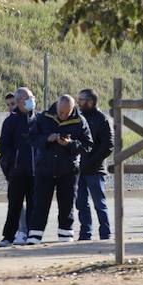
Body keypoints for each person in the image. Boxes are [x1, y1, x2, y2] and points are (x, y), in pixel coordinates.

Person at [28, 94, 93, 244]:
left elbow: (88, 145)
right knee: (40, 204)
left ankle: (65, 236)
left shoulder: (80, 121)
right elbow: (32, 138)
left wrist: (70, 144)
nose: (63, 116)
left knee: (67, 204)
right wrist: (47, 139)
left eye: (66, 113)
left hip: (68, 170)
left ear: (72, 109)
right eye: (61, 112)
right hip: (45, 169)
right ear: (56, 106)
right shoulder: (43, 117)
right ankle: (34, 237)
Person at [0, 87, 37, 247]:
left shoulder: (39, 119)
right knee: (15, 204)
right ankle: (8, 236)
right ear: (19, 101)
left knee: (34, 204)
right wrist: (15, 159)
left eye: (32, 97)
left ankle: (32, 235)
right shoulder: (11, 121)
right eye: (27, 98)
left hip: (36, 171)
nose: (31, 101)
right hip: (17, 171)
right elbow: (2, 146)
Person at [74, 89, 115, 241]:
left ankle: (105, 233)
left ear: (91, 101)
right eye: (79, 99)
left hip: (95, 170)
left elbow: (108, 146)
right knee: (81, 204)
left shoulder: (102, 119)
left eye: (82, 99)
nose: (79, 102)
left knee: (99, 203)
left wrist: (92, 162)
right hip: (79, 169)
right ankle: (85, 233)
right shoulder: (78, 118)